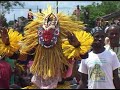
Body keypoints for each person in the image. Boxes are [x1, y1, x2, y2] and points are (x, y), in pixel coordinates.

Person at [18, 6, 93, 89]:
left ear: (58, 32)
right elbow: (19, 56)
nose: (46, 36)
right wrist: (7, 45)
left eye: (51, 31)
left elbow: (84, 55)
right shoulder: (35, 48)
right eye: (44, 31)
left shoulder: (65, 47)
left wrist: (76, 45)